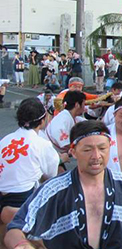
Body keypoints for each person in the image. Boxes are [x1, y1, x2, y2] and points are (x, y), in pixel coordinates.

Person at [5, 120, 122, 249]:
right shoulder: (54, 190)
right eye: (87, 150)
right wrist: (22, 244)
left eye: (102, 148)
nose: (96, 156)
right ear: (73, 151)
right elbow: (15, 229)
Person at [0, 98, 59, 245]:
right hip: (20, 199)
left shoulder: (5, 140)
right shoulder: (42, 144)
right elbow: (51, 177)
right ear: (43, 119)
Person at [44, 90, 87, 157]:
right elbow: (65, 143)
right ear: (77, 105)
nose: (84, 108)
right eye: (84, 105)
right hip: (47, 154)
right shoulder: (62, 119)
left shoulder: (72, 117)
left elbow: (90, 124)